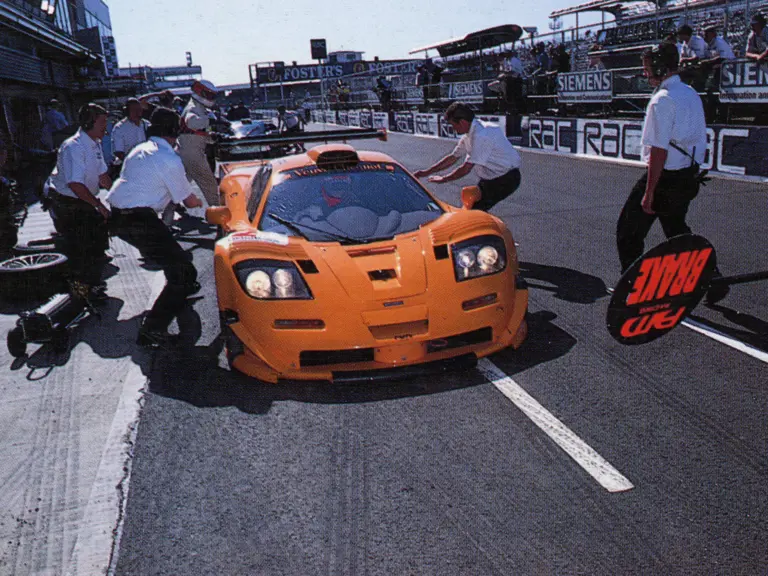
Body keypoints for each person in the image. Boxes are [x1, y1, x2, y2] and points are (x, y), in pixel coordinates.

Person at [615, 43, 728, 303]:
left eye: (647, 69)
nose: (645, 74)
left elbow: (658, 151)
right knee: (675, 228)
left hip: (667, 178)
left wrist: (649, 192)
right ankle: (713, 277)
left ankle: (635, 290)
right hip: (689, 175)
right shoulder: (690, 93)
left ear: (659, 67)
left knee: (628, 232)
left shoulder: (661, 100)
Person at [106, 107, 204, 347]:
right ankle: (152, 330)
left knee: (178, 267)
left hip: (118, 216)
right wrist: (210, 201)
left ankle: (176, 295)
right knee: (184, 273)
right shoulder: (169, 158)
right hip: (139, 220)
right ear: (174, 133)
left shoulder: (139, 150)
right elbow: (190, 202)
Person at [46, 103, 112, 298]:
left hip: (83, 199)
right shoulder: (73, 147)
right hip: (69, 203)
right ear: (89, 123)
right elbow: (75, 184)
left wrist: (119, 195)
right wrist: (99, 205)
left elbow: (103, 176)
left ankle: (92, 286)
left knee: (96, 246)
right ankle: (81, 294)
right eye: (102, 123)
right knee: (81, 251)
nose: (105, 128)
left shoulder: (94, 143)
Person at [413, 102, 522, 212]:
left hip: (506, 179)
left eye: (453, 125)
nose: (453, 129)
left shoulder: (482, 135)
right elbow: (453, 157)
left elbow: (466, 169)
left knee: (475, 212)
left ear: (462, 122)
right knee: (469, 208)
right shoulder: (469, 134)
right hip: (490, 178)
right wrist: (426, 172)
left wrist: (444, 179)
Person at [177, 79, 220, 207]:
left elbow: (193, 133)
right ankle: (219, 215)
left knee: (180, 187)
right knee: (210, 184)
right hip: (193, 153)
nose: (212, 99)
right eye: (210, 96)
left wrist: (211, 138)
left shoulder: (198, 107)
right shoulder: (193, 108)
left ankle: (166, 218)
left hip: (187, 150)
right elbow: (192, 122)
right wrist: (211, 121)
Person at [110, 98, 149, 178]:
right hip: (126, 166)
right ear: (127, 112)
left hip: (146, 165)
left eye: (139, 109)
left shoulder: (147, 125)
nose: (137, 112)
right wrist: (133, 163)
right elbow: (119, 152)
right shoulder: (119, 128)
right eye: (134, 110)